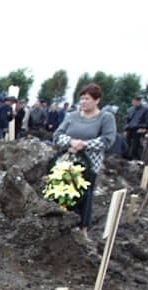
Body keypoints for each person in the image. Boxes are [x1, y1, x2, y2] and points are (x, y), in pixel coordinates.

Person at [53, 83, 116, 241]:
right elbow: (57, 135)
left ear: (97, 100)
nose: (83, 102)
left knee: (85, 195)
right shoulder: (72, 116)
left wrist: (86, 144)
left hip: (89, 165)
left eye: (87, 99)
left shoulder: (105, 118)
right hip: (68, 161)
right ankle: (61, 224)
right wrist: (71, 142)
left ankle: (83, 229)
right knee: (62, 191)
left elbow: (108, 140)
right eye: (82, 99)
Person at [124, 96, 148, 160]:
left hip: (139, 129)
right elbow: (128, 119)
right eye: (134, 101)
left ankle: (136, 157)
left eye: (136, 101)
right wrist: (126, 128)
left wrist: (144, 128)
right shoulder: (131, 109)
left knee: (137, 144)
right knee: (127, 143)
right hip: (130, 128)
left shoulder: (145, 110)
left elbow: (147, 121)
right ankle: (126, 156)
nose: (135, 102)